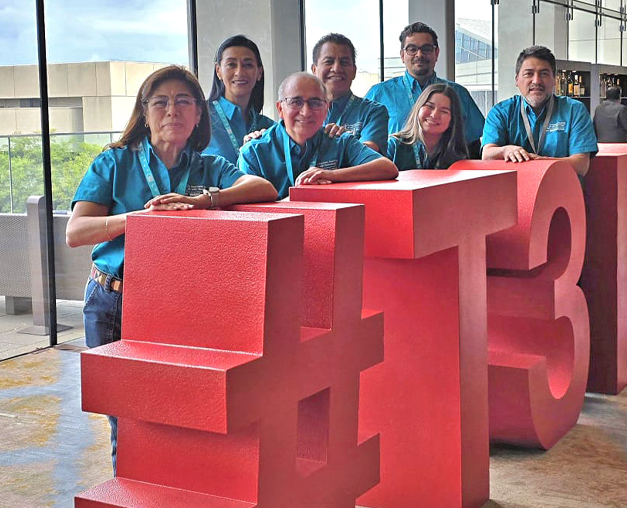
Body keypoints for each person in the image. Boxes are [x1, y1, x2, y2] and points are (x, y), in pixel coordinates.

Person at [66, 65, 278, 471]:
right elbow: (77, 232)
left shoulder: (208, 167)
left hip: (179, 307)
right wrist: (142, 221)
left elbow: (263, 188)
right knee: (127, 418)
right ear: (144, 113)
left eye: (184, 102)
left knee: (176, 412)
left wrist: (203, 201)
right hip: (117, 302)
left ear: (199, 114)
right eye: (160, 102)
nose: (172, 111)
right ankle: (134, 503)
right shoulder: (114, 161)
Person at [239, 72, 398, 199]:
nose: (306, 112)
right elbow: (248, 211)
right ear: (280, 108)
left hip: (332, 229)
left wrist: (330, 175)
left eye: (315, 103)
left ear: (326, 109)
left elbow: (387, 168)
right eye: (296, 102)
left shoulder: (339, 141)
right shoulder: (254, 152)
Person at [364, 22, 485, 156]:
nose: (419, 54)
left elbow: (473, 146)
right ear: (402, 55)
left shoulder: (458, 93)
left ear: (436, 53)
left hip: (448, 172)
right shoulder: (379, 94)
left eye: (426, 49)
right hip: (395, 173)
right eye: (412, 49)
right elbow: (364, 146)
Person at [481, 45, 598, 178]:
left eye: (544, 74)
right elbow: (487, 155)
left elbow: (581, 165)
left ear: (554, 79)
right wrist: (505, 150)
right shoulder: (501, 112)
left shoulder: (574, 111)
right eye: (528, 74)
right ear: (517, 80)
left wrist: (538, 163)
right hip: (515, 193)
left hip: (562, 191)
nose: (536, 81)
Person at [311, 33, 389, 153]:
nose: (337, 68)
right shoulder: (302, 111)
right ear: (314, 70)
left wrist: (342, 141)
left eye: (344, 62)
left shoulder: (372, 112)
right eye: (329, 62)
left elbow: (368, 155)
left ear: (354, 71)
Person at [203, 35, 275, 163]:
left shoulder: (269, 129)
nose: (239, 72)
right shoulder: (199, 118)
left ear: (259, 72)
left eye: (248, 65)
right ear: (218, 71)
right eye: (231, 65)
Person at [386, 83, 468, 171]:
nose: (434, 115)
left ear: (453, 120)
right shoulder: (394, 146)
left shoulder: (458, 155)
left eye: (444, 111)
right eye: (429, 106)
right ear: (418, 108)